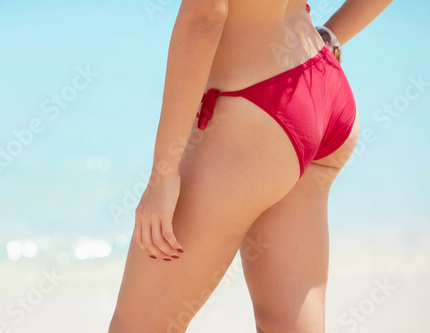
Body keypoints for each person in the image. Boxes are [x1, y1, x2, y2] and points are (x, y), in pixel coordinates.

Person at [109, 0, 393, 332]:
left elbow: (203, 17)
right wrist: (333, 34)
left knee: (139, 326)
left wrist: (163, 172)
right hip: (320, 78)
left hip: (255, 111)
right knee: (286, 322)